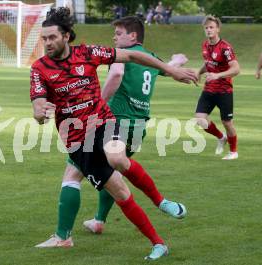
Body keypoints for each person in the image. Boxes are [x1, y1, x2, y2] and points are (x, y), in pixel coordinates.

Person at [30, 7, 197, 260]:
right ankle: (158, 243)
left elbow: (130, 56)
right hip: (77, 142)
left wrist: (171, 70)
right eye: (44, 38)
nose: (47, 43)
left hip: (103, 123)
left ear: (66, 36)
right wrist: (40, 112)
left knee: (118, 158)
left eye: (52, 37)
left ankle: (161, 202)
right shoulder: (39, 68)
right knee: (120, 192)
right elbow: (37, 106)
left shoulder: (88, 53)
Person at [80, 16, 187, 235]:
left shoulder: (121, 57)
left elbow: (117, 74)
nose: (114, 37)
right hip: (138, 126)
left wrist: (95, 106)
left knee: (73, 166)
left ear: (133, 36)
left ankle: (64, 233)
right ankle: (99, 220)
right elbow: (167, 68)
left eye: (119, 33)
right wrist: (176, 61)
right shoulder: (152, 58)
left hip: (116, 119)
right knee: (112, 171)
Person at [195, 15, 240, 160]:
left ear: (218, 29)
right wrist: (198, 72)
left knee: (227, 122)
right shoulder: (205, 45)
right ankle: (221, 137)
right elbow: (208, 63)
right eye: (206, 28)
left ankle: (233, 152)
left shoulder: (225, 48)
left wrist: (218, 75)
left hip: (224, 91)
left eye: (211, 27)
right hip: (209, 89)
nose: (208, 30)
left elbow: (236, 69)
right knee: (200, 119)